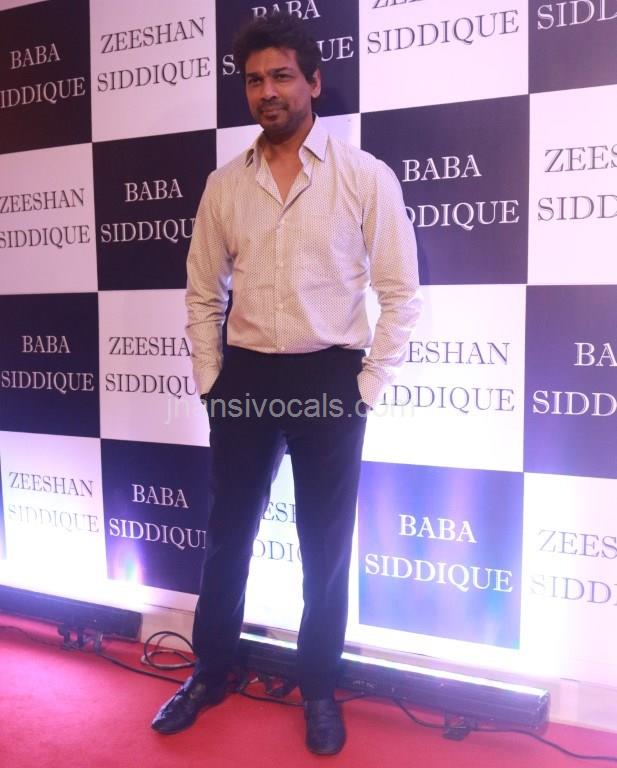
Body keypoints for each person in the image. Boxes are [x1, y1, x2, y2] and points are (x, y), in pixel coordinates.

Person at [151, 12, 421, 756]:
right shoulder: (223, 185)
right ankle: (209, 671)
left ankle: (319, 688)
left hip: (329, 378)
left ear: (313, 83)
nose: (266, 91)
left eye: (280, 76)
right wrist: (212, 380)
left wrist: (366, 386)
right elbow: (202, 292)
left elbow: (400, 295)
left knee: (323, 546)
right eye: (253, 80)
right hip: (243, 377)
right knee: (226, 535)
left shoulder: (364, 177)